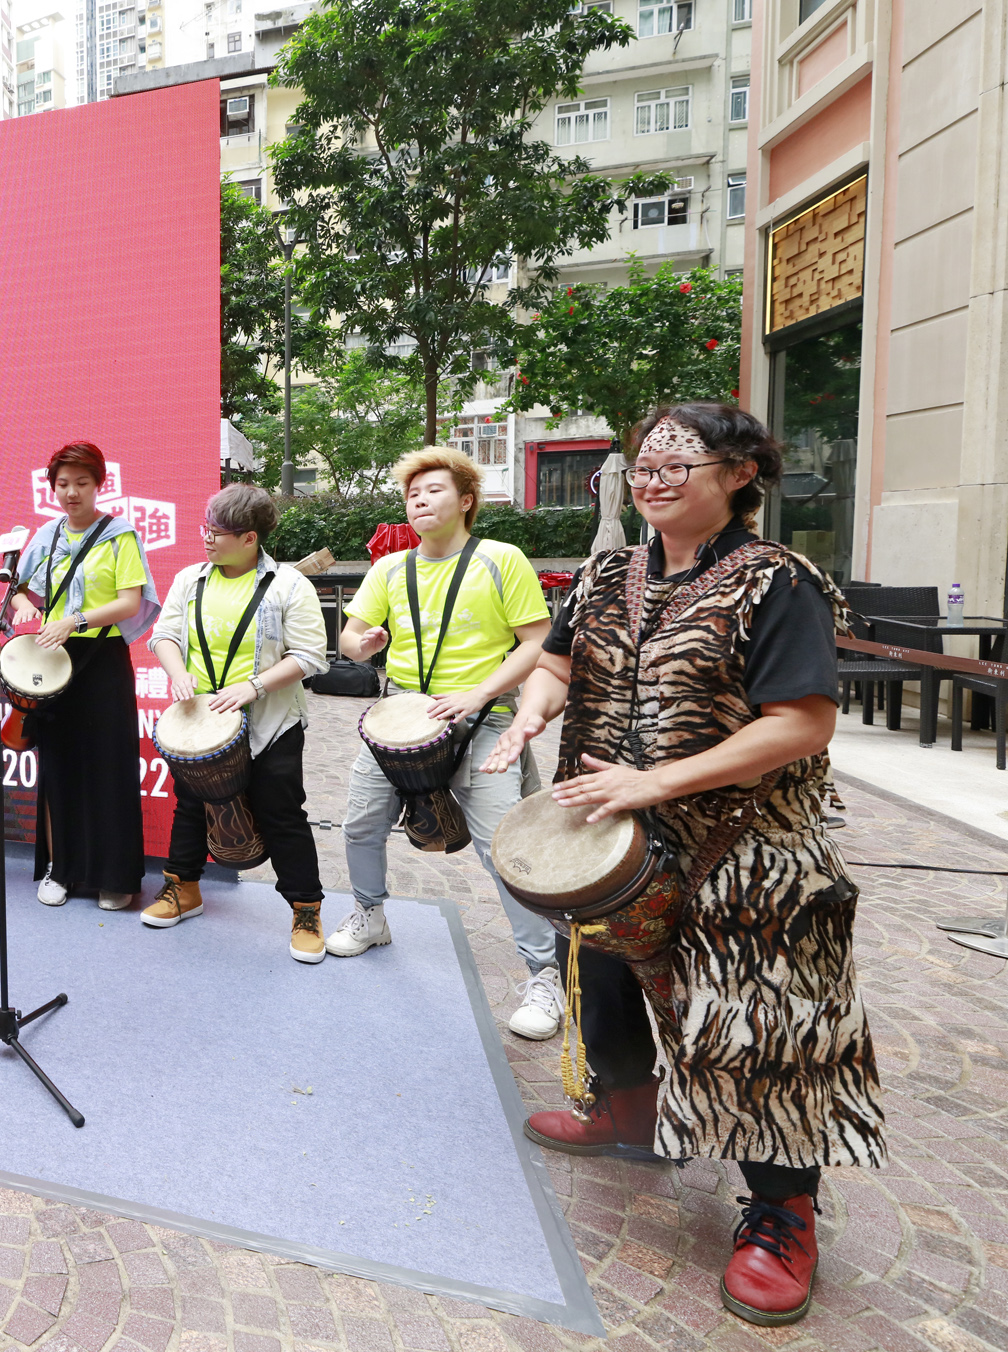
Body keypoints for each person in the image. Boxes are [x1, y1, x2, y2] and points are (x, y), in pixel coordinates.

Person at [483, 403, 881, 1328]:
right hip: (610, 833)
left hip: (745, 844)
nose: (653, 481)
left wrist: (655, 781)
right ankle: (627, 1118)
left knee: (761, 1025)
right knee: (609, 980)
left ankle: (782, 1212)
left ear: (741, 473)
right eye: (641, 466)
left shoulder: (777, 581)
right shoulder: (607, 570)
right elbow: (555, 661)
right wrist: (534, 711)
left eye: (677, 464)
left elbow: (801, 724)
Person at [329, 447, 563, 1039]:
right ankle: (370, 915)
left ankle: (543, 974)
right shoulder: (388, 569)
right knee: (359, 824)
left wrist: (479, 694)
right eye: (412, 495)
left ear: (465, 501)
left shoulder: (501, 559)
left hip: (483, 715)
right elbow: (351, 636)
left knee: (501, 847)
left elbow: (537, 642)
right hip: (401, 717)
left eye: (433, 491)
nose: (420, 501)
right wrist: (363, 643)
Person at [144, 484, 330, 959]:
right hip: (201, 721)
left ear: (250, 539)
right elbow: (164, 634)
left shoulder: (289, 584)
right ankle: (182, 889)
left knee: (283, 812)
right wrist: (178, 671)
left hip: (272, 720)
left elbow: (311, 656)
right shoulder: (191, 579)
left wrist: (255, 686)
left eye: (218, 532)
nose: (206, 538)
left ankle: (305, 909)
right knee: (190, 806)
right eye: (205, 528)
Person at [11, 441, 160, 910]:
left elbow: (129, 602)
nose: (71, 492)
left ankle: (115, 876)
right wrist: (21, 611)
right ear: (51, 486)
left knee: (109, 767)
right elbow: (19, 591)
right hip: (51, 662)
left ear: (100, 485)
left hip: (103, 659)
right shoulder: (45, 536)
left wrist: (74, 621)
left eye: (81, 483)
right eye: (62, 484)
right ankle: (61, 869)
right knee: (57, 766)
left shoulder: (120, 535)